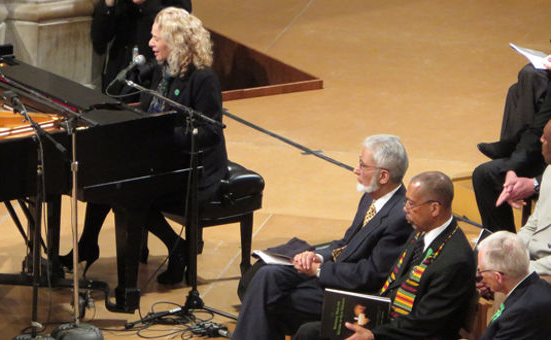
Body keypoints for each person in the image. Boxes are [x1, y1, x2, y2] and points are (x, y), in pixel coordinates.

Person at [62, 7, 228, 286]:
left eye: (156, 38)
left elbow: (211, 132)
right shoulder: (162, 70)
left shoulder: (203, 78)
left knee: (129, 192)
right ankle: (88, 244)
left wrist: (165, 137)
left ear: (175, 41)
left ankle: (177, 247)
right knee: (107, 176)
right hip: (162, 158)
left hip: (196, 167)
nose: (150, 43)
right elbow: (146, 112)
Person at [231, 134, 412, 340]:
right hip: (332, 272)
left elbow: (370, 275)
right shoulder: (371, 196)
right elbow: (346, 243)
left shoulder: (399, 217)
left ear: (383, 176)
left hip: (352, 293)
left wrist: (319, 270)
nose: (356, 170)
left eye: (363, 165)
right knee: (266, 275)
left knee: (272, 300)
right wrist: (317, 256)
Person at [294, 171, 477, 340]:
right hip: (389, 318)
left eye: (411, 204)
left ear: (434, 209)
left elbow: (427, 323)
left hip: (412, 335)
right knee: (309, 330)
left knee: (311, 334)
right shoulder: (421, 232)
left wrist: (373, 335)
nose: (405, 208)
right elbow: (395, 282)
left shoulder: (455, 260)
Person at [473, 59, 551, 232]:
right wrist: (512, 170)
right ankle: (503, 251)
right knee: (485, 175)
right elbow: (537, 130)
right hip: (546, 161)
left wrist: (535, 184)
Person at [91, 0, 192, 94]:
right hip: (119, 71)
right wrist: (108, 4)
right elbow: (99, 41)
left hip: (152, 74)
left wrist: (146, 3)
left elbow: (179, 27)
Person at [476, 231, 551, 340]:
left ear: (498, 277)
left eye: (481, 271)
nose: (479, 276)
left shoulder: (521, 312)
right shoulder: (537, 286)